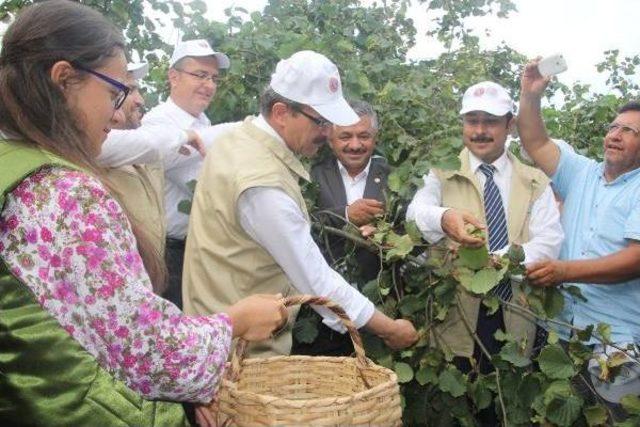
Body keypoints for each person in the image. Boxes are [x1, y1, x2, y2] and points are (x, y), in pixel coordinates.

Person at [0, 1, 286, 425]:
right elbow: (150, 352)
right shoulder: (64, 194)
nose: (117, 113)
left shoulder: (12, 159)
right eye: (113, 92)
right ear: (64, 80)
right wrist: (236, 321)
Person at [182, 50, 418, 357]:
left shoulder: (236, 138)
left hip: (216, 337)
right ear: (281, 113)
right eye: (320, 121)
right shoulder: (262, 184)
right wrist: (390, 329)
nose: (327, 133)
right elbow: (317, 280)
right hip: (241, 354)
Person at [406, 81, 563, 375]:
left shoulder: (534, 181)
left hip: (515, 311)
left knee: (507, 397)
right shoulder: (441, 172)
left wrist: (500, 260)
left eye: (490, 122)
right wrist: (444, 217)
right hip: (455, 316)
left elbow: (550, 240)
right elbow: (414, 215)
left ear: (510, 125)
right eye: (472, 121)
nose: (480, 131)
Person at [518, 59, 640, 412]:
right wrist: (530, 94)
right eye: (614, 127)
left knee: (613, 415)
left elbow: (635, 260)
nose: (615, 135)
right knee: (559, 413)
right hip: (560, 326)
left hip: (614, 338)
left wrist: (564, 271)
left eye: (630, 131)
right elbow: (535, 140)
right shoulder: (582, 172)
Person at [141, 38, 236, 309]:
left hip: (198, 249)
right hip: (169, 253)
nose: (209, 85)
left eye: (214, 78)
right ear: (173, 76)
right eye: (200, 75)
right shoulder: (158, 122)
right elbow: (201, 183)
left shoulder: (204, 123)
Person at [292, 99, 389, 356]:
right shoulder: (309, 176)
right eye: (345, 136)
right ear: (331, 138)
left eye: (364, 136)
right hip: (319, 309)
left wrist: (389, 239)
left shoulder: (394, 177)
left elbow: (409, 228)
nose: (355, 145)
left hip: (378, 305)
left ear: (375, 138)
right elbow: (299, 225)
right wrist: (346, 215)